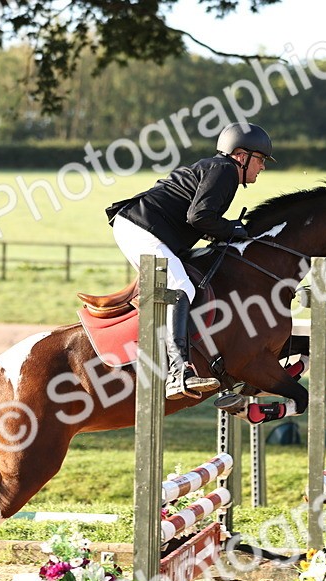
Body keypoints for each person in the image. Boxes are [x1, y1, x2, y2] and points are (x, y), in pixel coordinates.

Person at [106, 122, 273, 401]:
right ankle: (177, 372)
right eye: (260, 160)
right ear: (241, 156)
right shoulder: (225, 171)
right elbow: (199, 218)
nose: (263, 167)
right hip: (140, 228)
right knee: (181, 287)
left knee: (187, 281)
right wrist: (235, 229)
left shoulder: (220, 170)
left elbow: (201, 220)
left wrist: (230, 229)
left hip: (145, 227)